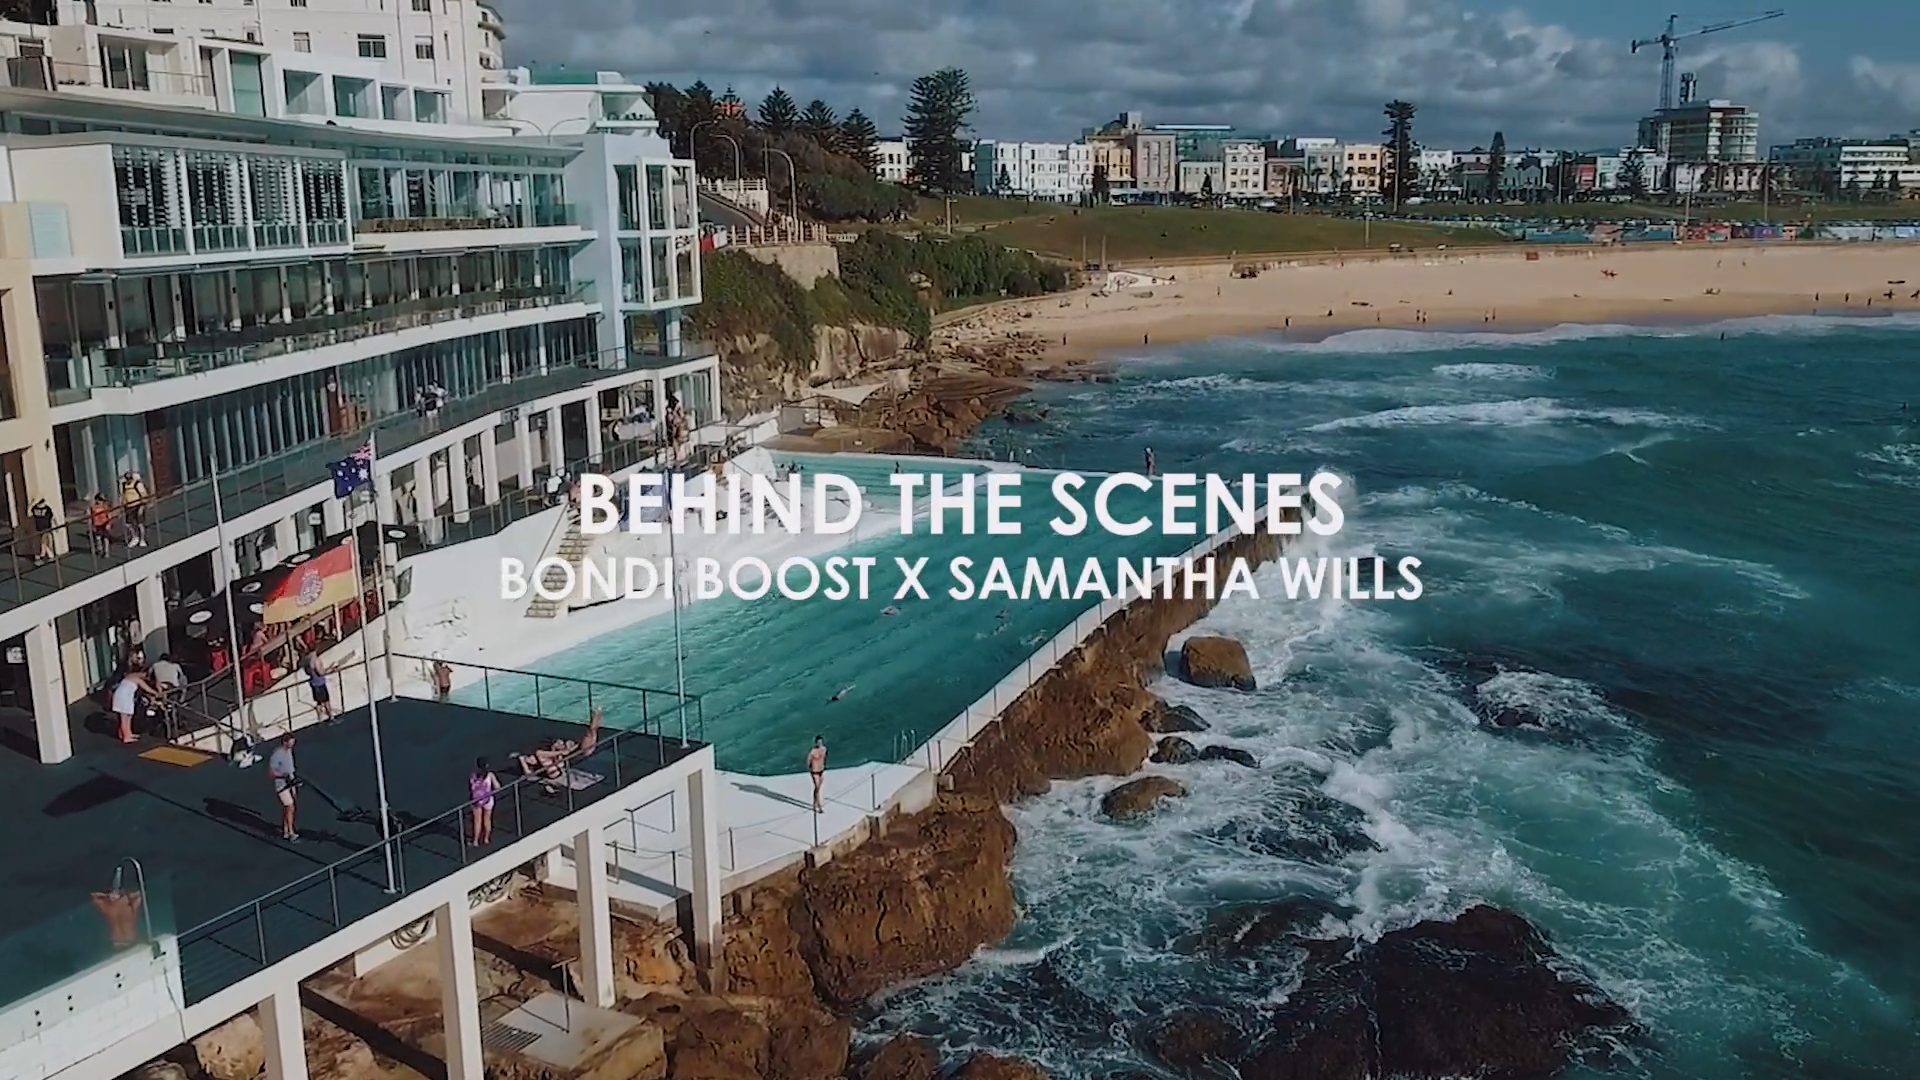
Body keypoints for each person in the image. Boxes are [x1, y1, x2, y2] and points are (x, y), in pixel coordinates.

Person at [517, 707, 603, 790]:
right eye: (559, 742)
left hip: (575, 756)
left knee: (592, 732)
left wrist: (569, 747)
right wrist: (522, 761)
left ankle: (597, 713)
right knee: (591, 733)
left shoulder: (547, 756)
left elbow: (563, 753)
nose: (562, 742)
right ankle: (597, 713)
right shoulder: (541, 755)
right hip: (578, 755)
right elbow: (564, 752)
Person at [268, 733, 299, 842]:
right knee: (290, 806)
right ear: (284, 742)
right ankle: (291, 832)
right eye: (291, 743)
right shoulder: (277, 754)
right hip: (281, 785)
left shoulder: (289, 751)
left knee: (289, 807)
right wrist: (283, 775)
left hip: (290, 782)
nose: (292, 745)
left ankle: (285, 830)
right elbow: (271, 773)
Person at [110, 667, 152, 744]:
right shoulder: (137, 679)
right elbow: (147, 689)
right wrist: (157, 693)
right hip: (123, 697)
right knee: (124, 717)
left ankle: (127, 733)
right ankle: (126, 737)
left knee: (128, 716)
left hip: (126, 697)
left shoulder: (130, 676)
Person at [468, 757, 498, 845]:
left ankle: (475, 841)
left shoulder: (473, 775)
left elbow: (471, 788)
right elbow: (497, 787)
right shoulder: (490, 775)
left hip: (476, 801)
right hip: (488, 799)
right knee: (487, 819)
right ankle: (486, 839)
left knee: (477, 821)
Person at [300, 650, 334, 722]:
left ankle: (320, 718)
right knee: (326, 700)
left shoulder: (306, 660)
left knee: (318, 702)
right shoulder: (316, 660)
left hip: (313, 683)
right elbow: (320, 672)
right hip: (320, 682)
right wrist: (327, 670)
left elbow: (307, 673)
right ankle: (330, 716)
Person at [119, 471, 150, 548]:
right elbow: (122, 495)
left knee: (140, 523)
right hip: (129, 506)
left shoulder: (137, 484)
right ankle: (135, 536)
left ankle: (142, 539)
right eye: (127, 479)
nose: (129, 480)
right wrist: (122, 504)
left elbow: (144, 495)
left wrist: (142, 506)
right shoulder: (124, 485)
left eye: (130, 478)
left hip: (138, 505)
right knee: (129, 524)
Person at [30, 497, 54, 565]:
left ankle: (43, 556)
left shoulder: (37, 508)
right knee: (43, 542)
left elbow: (51, 517)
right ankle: (50, 556)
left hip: (44, 528)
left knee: (43, 542)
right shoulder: (45, 509)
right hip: (41, 528)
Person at [807, 736, 827, 813]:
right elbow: (808, 761)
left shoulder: (824, 749)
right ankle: (819, 806)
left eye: (821, 742)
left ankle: (815, 803)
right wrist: (812, 768)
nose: (820, 744)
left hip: (821, 770)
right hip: (815, 771)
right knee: (817, 787)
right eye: (818, 742)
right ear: (815, 743)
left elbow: (824, 759)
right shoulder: (812, 752)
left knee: (817, 789)